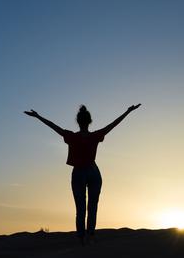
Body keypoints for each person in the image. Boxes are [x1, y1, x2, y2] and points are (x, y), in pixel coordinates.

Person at [24, 104, 141, 245]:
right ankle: (90, 235)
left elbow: (53, 126)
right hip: (93, 171)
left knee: (80, 208)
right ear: (89, 121)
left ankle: (81, 238)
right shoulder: (94, 136)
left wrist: (37, 116)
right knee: (92, 206)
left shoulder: (71, 137)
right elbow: (113, 124)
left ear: (78, 122)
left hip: (79, 172)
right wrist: (128, 112)